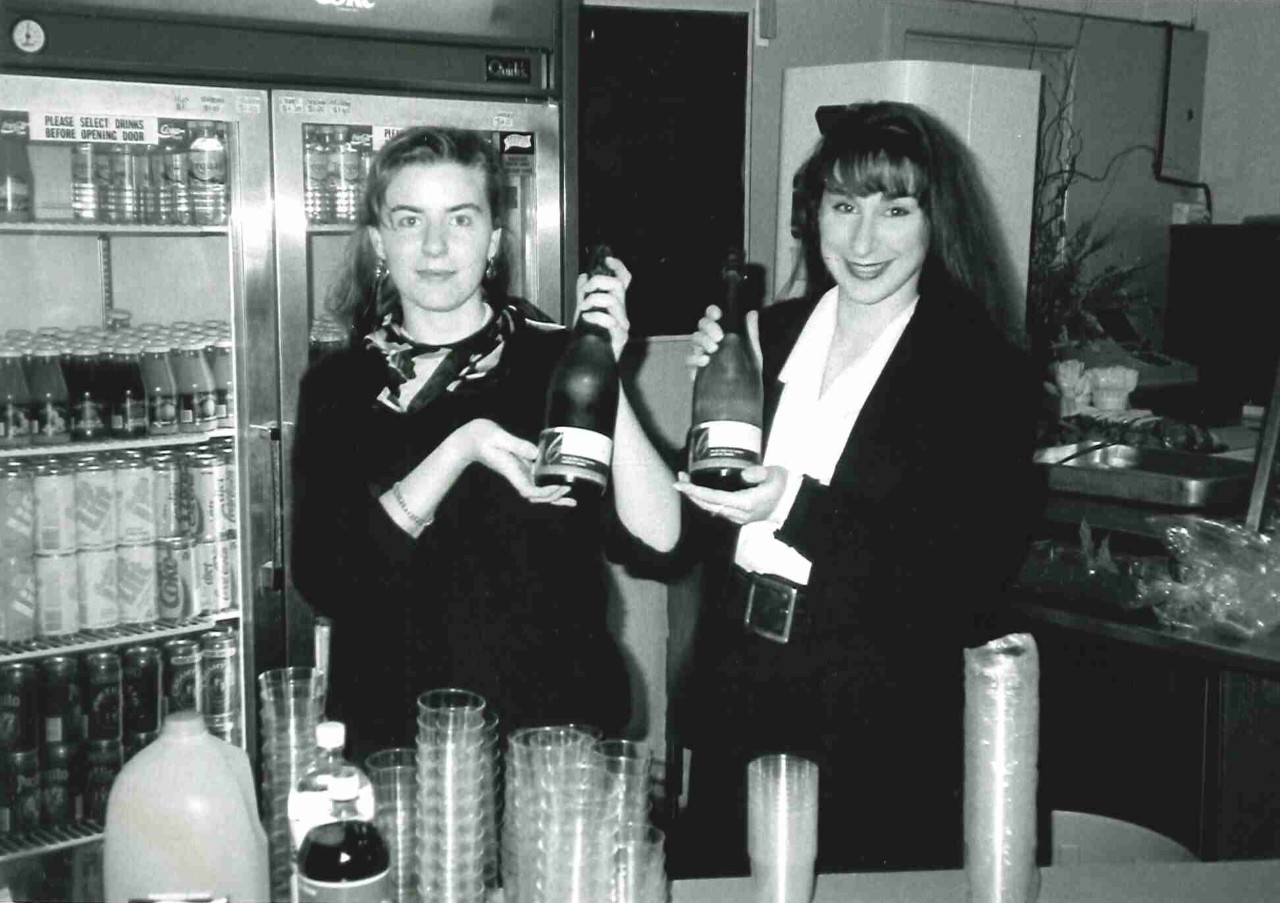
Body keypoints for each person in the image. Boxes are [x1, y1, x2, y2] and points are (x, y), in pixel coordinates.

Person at [669, 101, 1039, 875]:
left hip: (877, 719)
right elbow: (698, 529)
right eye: (844, 207)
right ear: (814, 215)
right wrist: (713, 405)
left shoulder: (982, 369)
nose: (864, 241)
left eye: (895, 210)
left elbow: (964, 580)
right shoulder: (767, 335)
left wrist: (791, 504)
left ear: (938, 221)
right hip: (742, 695)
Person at [290, 126, 681, 761]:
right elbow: (331, 581)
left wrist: (603, 369)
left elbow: (662, 544)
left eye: (461, 220)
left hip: (553, 740)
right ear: (378, 241)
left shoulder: (558, 359)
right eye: (410, 220)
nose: (437, 246)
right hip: (399, 743)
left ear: (494, 241)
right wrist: (460, 447)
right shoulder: (338, 388)